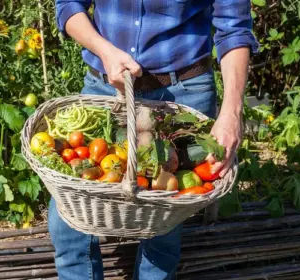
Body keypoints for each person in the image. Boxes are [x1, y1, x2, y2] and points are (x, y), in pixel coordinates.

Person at [49, 1, 259, 279]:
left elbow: (233, 28)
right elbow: (68, 5)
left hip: (182, 93)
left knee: (164, 226)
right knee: (69, 220)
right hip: (107, 89)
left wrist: (232, 111)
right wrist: (104, 50)